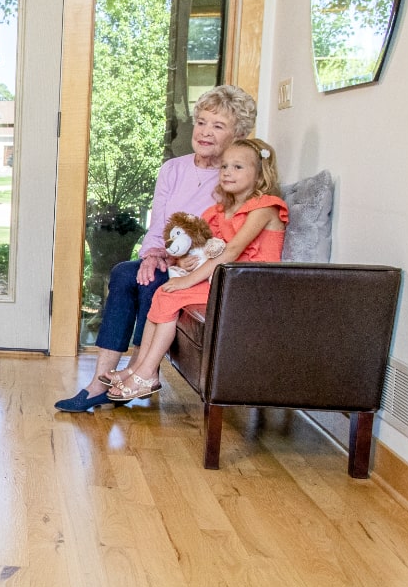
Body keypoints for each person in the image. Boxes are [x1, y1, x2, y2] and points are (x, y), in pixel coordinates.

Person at [56, 85, 257, 412]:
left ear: (240, 133)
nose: (205, 132)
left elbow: (222, 235)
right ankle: (101, 381)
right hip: (164, 256)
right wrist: (151, 253)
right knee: (126, 272)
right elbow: (159, 224)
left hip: (197, 267)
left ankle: (138, 373)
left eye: (218, 126)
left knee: (151, 279)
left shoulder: (234, 178)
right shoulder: (173, 169)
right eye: (202, 122)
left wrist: (170, 258)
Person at [103, 138, 288, 401]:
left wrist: (187, 280)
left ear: (259, 173)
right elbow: (198, 245)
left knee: (173, 293)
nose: (227, 172)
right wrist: (183, 262)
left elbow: (232, 252)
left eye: (237, 167)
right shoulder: (218, 210)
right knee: (163, 294)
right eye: (224, 167)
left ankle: (147, 374)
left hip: (252, 286)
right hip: (224, 279)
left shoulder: (264, 207)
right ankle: (138, 368)